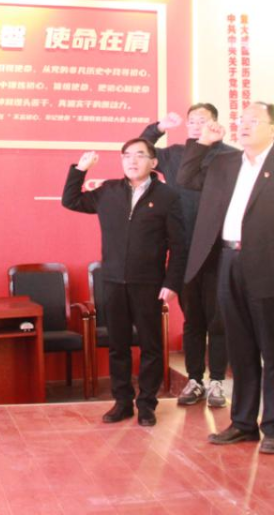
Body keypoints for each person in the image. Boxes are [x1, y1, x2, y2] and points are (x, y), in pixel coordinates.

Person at [178, 103, 274, 455]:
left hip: (270, 266)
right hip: (227, 261)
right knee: (239, 348)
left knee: (273, 350)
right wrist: (203, 143)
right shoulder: (223, 163)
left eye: (254, 121)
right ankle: (243, 423)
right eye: (242, 120)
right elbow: (186, 178)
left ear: (272, 129)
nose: (244, 125)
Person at [62, 138, 188, 427]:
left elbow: (179, 246)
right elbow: (71, 200)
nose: (132, 160)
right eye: (127, 155)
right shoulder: (108, 191)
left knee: (151, 346)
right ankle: (122, 402)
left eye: (140, 155)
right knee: (118, 346)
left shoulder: (168, 196)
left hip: (149, 284)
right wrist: (80, 170)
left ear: (153, 163)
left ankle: (147, 404)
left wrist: (172, 282)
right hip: (113, 282)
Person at [139, 104, 237, 407]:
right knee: (193, 318)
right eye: (191, 120)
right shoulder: (174, 154)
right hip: (185, 248)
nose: (195, 124)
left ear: (215, 123)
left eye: (202, 120)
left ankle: (217, 380)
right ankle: (195, 379)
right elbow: (142, 148)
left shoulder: (231, 156)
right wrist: (159, 127)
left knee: (218, 318)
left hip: (219, 248)